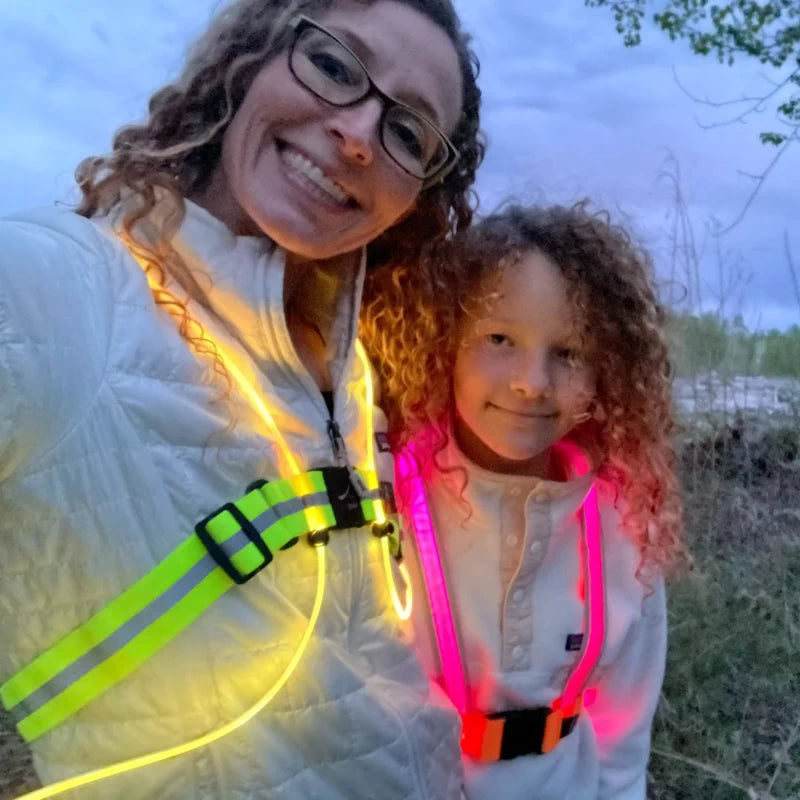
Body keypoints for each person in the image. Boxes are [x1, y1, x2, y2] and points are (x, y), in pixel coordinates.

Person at [0, 0, 484, 797]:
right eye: (334, 65)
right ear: (249, 60)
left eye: (408, 134)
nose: (360, 133)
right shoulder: (62, 289)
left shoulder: (349, 367)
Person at [361, 203, 689, 799]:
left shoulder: (627, 524)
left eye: (568, 352)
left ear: (607, 369)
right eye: (499, 338)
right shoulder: (386, 500)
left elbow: (624, 741)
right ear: (446, 344)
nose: (532, 381)